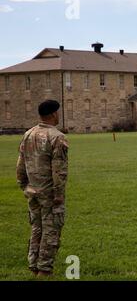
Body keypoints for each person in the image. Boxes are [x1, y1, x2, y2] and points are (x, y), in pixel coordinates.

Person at [16, 100, 69, 277]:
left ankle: (33, 265)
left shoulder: (28, 134)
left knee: (36, 227)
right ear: (54, 114)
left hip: (32, 191)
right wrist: (59, 194)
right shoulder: (56, 136)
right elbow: (59, 171)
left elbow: (20, 165)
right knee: (51, 229)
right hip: (49, 193)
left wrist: (24, 185)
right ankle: (44, 270)